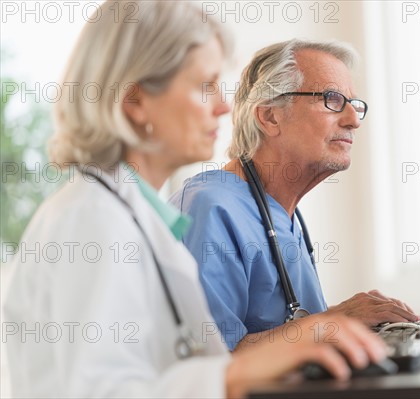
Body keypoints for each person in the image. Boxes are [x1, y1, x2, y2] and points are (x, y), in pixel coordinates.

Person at [2, 2, 387, 398]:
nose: (223, 106)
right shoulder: (92, 219)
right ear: (136, 101)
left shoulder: (137, 218)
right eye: (205, 85)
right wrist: (237, 372)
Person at [170, 39, 420, 352]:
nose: (353, 120)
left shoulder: (283, 216)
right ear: (270, 116)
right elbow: (212, 361)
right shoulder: (210, 207)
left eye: (354, 105)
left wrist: (345, 325)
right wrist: (332, 322)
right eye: (332, 99)